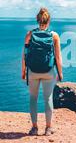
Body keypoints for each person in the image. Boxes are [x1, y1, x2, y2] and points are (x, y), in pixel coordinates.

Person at [22, 8, 63, 136]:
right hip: (48, 71)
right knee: (48, 98)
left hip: (33, 71)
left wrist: (23, 71)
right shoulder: (54, 35)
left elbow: (25, 54)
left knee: (33, 99)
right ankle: (48, 128)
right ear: (49, 20)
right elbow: (58, 57)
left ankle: (34, 128)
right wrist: (60, 73)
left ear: (37, 20)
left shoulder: (29, 34)